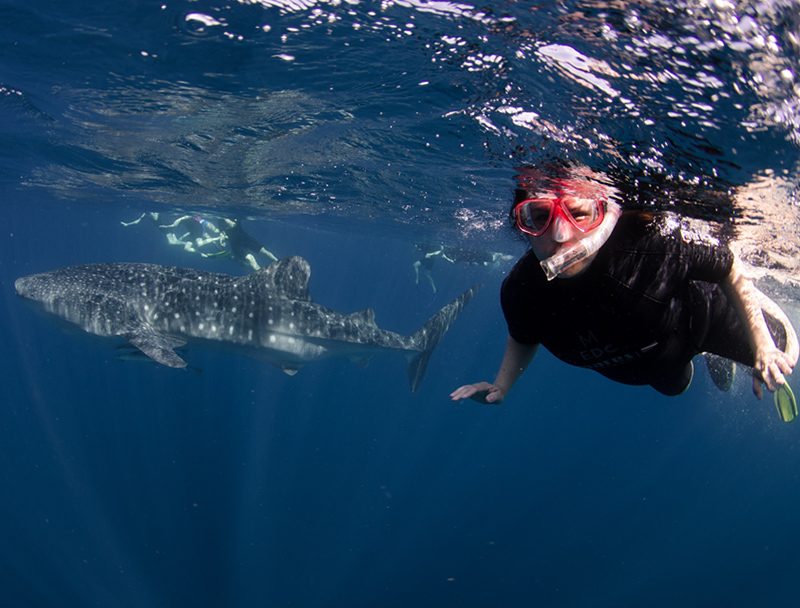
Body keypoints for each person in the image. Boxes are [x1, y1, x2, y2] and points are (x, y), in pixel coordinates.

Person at [450, 161, 799, 419]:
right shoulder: (522, 292)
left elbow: (728, 267)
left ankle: (739, 329)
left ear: (604, 215)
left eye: (578, 214)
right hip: (655, 362)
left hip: (704, 317)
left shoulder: (652, 246)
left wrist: (763, 346)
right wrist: (502, 386)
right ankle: (697, 359)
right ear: (520, 225)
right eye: (538, 217)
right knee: (675, 387)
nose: (559, 236)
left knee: (787, 351)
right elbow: (524, 336)